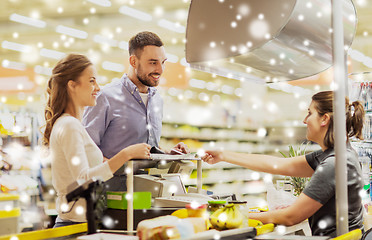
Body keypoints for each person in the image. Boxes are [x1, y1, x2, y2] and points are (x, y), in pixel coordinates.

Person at [202, 91, 365, 237]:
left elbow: (290, 217)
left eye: (309, 113)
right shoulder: (336, 155)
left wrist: (233, 215)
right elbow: (278, 164)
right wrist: (223, 155)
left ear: (324, 119)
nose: (304, 120)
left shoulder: (334, 163)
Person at [43, 54, 151, 227]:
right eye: (92, 81)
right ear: (72, 86)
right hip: (73, 226)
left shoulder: (69, 124)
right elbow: (83, 180)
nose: (98, 88)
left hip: (81, 223)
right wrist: (126, 154)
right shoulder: (69, 125)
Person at [82, 31, 189, 191]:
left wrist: (166, 154)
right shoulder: (106, 97)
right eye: (153, 63)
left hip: (147, 194)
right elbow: (87, 152)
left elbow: (147, 147)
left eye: (163, 62)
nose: (160, 69)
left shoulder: (157, 100)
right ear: (133, 61)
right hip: (111, 196)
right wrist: (119, 166)